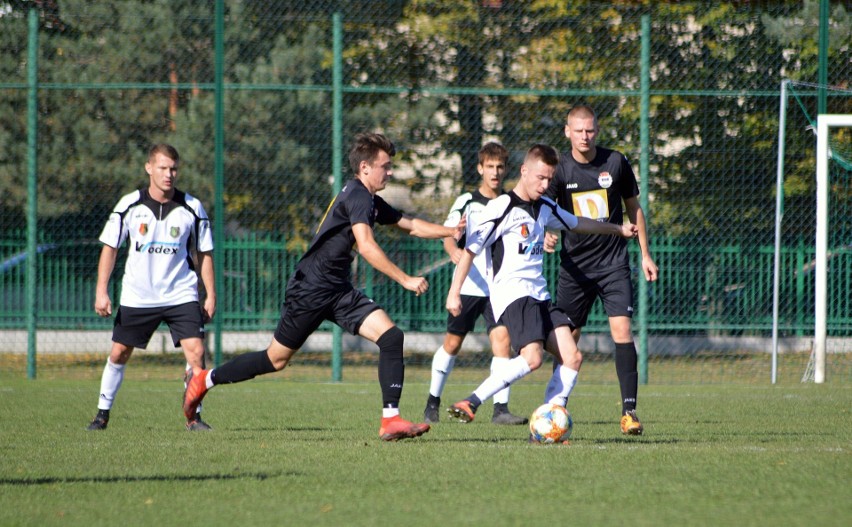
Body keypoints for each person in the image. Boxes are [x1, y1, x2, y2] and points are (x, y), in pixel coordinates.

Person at [182, 132, 464, 441]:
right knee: (275, 360)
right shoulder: (357, 196)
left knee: (391, 336)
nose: (391, 172)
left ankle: (390, 419)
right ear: (366, 167)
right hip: (311, 288)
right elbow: (367, 246)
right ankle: (204, 379)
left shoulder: (369, 199)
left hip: (338, 290)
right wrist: (405, 278)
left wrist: (450, 230)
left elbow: (409, 224)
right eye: (386, 166)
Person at [444, 144, 637, 440]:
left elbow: (578, 223)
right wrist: (454, 292)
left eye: (549, 179)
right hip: (513, 295)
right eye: (540, 178)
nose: (545, 185)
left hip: (540, 296)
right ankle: (472, 401)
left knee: (572, 356)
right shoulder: (501, 207)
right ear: (524, 171)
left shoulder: (545, 206)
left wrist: (617, 229)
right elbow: (470, 250)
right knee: (533, 358)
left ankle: (550, 420)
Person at [544, 104, 658, 435]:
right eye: (578, 130)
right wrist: (550, 233)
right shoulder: (560, 169)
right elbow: (546, 211)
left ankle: (629, 412)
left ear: (597, 130)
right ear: (567, 131)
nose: (585, 136)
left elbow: (634, 210)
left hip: (613, 265)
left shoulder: (615, 162)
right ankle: (556, 407)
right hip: (575, 268)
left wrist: (646, 254)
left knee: (621, 331)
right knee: (568, 339)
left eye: (590, 130)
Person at [86, 143, 216, 431]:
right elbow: (110, 248)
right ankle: (102, 414)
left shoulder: (192, 207)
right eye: (162, 168)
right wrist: (101, 290)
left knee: (196, 353)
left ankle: (193, 417)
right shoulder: (129, 205)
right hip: (138, 294)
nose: (169, 174)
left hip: (180, 292)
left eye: (173, 169)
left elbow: (204, 253)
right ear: (149, 168)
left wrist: (210, 294)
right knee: (120, 352)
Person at [423, 142, 527, 425]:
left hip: (498, 288)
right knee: (452, 344)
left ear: (506, 170)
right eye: (490, 167)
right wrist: (453, 249)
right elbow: (449, 232)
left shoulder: (510, 203)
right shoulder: (467, 201)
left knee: (502, 344)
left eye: (500, 167)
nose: (495, 172)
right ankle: (432, 401)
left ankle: (500, 410)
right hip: (469, 286)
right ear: (480, 168)